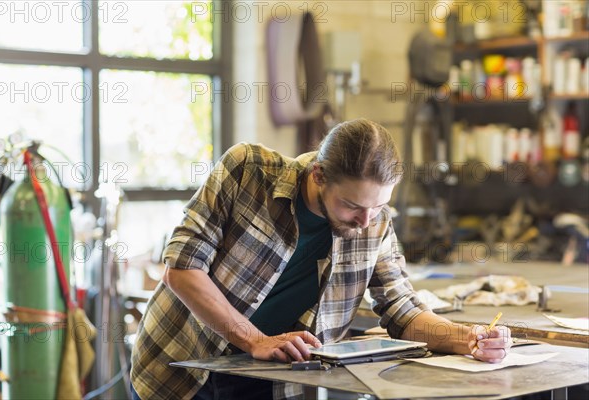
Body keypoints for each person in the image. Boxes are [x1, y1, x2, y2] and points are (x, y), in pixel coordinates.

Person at [130, 118, 511, 400]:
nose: (365, 222)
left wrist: (468, 338)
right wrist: (255, 339)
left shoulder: (374, 223)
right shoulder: (247, 172)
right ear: (318, 176)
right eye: (351, 206)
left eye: (379, 206)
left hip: (268, 379)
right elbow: (182, 268)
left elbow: (403, 311)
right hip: (180, 366)